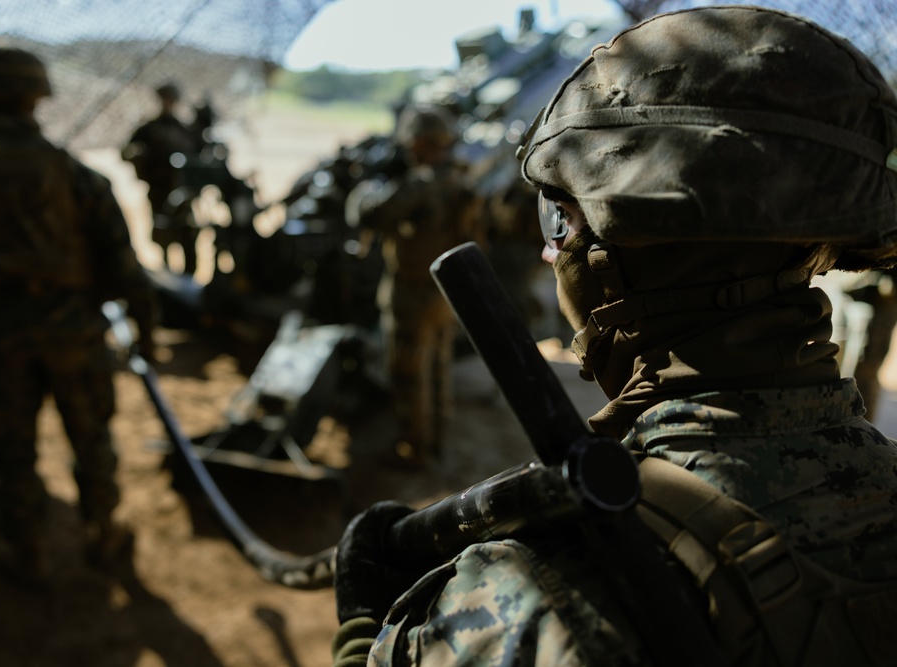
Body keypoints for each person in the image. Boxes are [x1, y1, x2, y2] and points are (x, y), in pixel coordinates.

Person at [331, 6, 897, 666]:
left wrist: (361, 629)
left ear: (621, 262)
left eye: (563, 221)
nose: (552, 253)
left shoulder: (536, 591)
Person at [0, 44, 157, 587]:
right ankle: (103, 530)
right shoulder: (75, 174)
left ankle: (26, 551)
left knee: (11, 451)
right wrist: (147, 339)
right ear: (37, 96)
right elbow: (127, 270)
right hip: (75, 334)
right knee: (91, 439)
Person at [345, 104, 481, 467]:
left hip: (412, 293)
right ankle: (437, 441)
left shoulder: (421, 183)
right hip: (445, 293)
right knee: (437, 370)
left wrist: (366, 189)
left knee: (407, 371)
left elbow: (371, 213)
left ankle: (414, 449)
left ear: (421, 143)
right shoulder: (461, 179)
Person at [122, 82, 200, 276]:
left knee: (187, 235)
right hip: (159, 190)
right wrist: (139, 157)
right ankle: (167, 274)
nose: (168, 103)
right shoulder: (149, 129)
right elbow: (125, 152)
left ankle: (188, 278)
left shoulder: (186, 131)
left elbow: (200, 158)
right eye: (165, 99)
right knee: (163, 234)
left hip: (184, 193)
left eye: (171, 100)